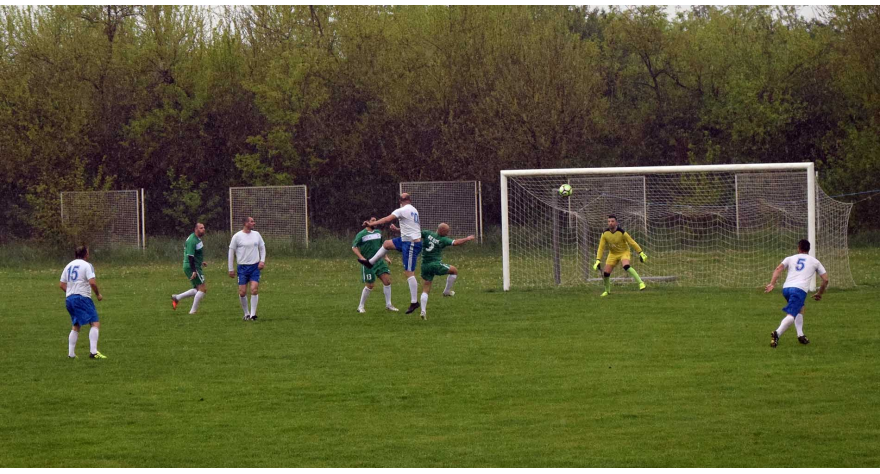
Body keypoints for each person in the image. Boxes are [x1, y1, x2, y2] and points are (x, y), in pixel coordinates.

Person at [357, 193, 422, 314]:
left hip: (411, 243)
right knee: (387, 243)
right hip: (406, 240)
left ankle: (414, 302)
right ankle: (370, 262)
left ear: (400, 201)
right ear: (410, 200)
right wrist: (397, 230)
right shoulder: (414, 210)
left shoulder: (401, 210)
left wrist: (371, 224)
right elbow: (412, 227)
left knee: (408, 273)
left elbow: (387, 219)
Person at [396, 222, 474, 321]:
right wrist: (467, 239)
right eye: (447, 232)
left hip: (424, 265)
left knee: (426, 287)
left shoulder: (427, 233)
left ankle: (423, 311)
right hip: (435, 264)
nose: (447, 233)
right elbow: (455, 242)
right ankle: (446, 291)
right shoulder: (443, 239)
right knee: (454, 270)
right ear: (442, 231)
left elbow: (413, 233)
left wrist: (398, 229)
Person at [764, 239, 829, 348]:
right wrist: (820, 293)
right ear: (809, 249)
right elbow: (825, 280)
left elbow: (778, 269)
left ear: (798, 248)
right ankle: (777, 333)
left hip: (786, 289)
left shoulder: (790, 258)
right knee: (791, 315)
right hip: (799, 290)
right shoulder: (815, 261)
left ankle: (800, 335)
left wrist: (772, 284)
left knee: (800, 308)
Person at [60, 245, 106, 359]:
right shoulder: (87, 265)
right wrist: (98, 294)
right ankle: (94, 352)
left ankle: (71, 354)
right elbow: (92, 282)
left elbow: (61, 284)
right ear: (85, 254)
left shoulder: (68, 265)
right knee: (95, 323)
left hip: (69, 299)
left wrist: (71, 292)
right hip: (82, 298)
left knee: (76, 325)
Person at [592, 214, 648, 297]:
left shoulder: (622, 232)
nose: (610, 223)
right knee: (606, 273)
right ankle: (607, 291)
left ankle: (641, 283)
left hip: (624, 252)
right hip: (613, 254)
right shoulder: (605, 233)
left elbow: (632, 242)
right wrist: (598, 260)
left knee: (626, 266)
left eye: (612, 221)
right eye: (609, 221)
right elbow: (601, 247)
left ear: (616, 223)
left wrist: (641, 253)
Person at [352, 219, 398, 313]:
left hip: (379, 261)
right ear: (367, 222)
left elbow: (383, 246)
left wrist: (386, 257)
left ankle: (388, 305)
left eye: (375, 221)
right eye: (373, 220)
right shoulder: (361, 234)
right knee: (370, 285)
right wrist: (362, 258)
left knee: (387, 281)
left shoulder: (378, 233)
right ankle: (360, 307)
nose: (375, 222)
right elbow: (354, 247)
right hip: (368, 262)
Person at [229, 216, 266, 321]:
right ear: (245, 223)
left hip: (254, 267)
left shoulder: (257, 235)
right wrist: (230, 268)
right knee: (242, 292)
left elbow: (262, 248)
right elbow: (231, 252)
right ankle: (246, 314)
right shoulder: (237, 236)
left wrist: (262, 261)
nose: (254, 223)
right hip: (242, 267)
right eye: (251, 221)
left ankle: (253, 315)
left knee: (254, 289)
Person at [172, 222, 208, 314]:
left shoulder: (197, 239)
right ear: (196, 229)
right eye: (201, 228)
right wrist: (194, 270)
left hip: (195, 265)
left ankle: (177, 297)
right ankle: (193, 311)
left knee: (197, 289)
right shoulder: (192, 240)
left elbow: (196, 254)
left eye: (203, 228)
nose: (203, 229)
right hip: (192, 266)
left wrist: (201, 262)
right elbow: (190, 256)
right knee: (203, 289)